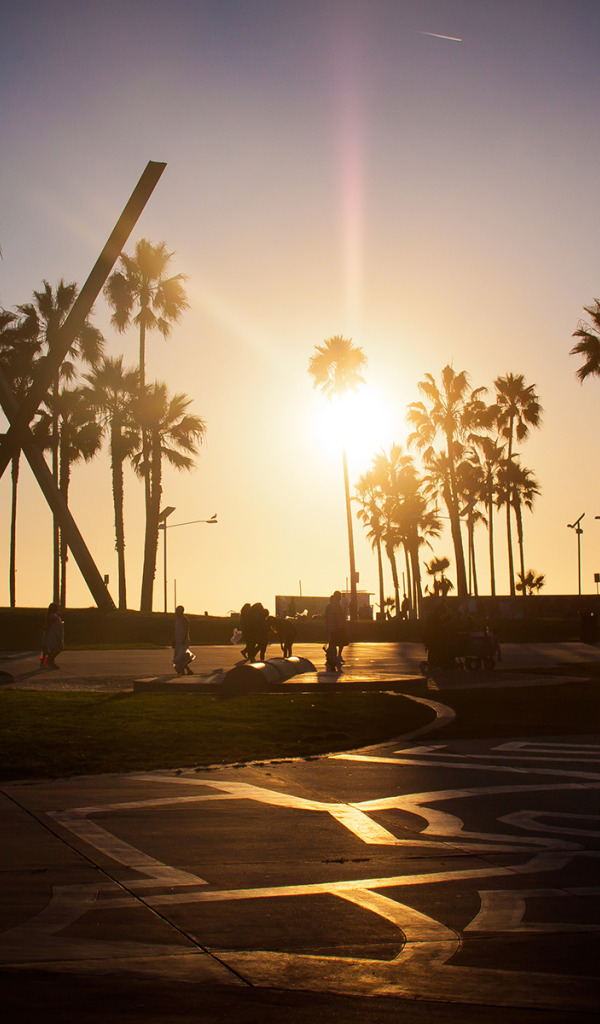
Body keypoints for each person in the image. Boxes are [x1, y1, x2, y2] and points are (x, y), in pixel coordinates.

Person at [324, 590, 348, 671]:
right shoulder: (334, 605)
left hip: (335, 627)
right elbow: (334, 616)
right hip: (336, 627)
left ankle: (334, 657)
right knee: (336, 643)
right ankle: (333, 658)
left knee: (336, 643)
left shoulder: (336, 605)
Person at [173, 605, 195, 676]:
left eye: (177, 611)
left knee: (180, 657)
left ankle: (183, 671)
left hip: (183, 641)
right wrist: (174, 640)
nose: (176, 612)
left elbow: (186, 629)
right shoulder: (178, 620)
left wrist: (184, 639)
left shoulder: (184, 619)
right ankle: (187, 671)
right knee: (179, 657)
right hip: (178, 641)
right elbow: (177, 631)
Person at [41, 603, 64, 669]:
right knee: (57, 648)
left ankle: (50, 661)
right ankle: (50, 660)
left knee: (54, 649)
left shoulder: (52, 615)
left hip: (55, 633)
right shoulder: (52, 616)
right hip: (54, 634)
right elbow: (50, 625)